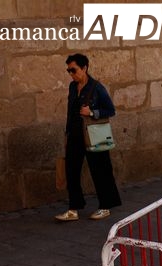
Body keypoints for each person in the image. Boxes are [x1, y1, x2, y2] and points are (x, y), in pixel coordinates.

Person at [55, 53, 121, 222]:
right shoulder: (72, 87)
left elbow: (110, 110)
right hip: (75, 136)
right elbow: (70, 113)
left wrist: (92, 112)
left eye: (73, 70)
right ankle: (73, 209)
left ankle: (105, 206)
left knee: (101, 171)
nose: (71, 73)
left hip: (92, 135)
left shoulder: (97, 87)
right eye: (68, 70)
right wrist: (67, 134)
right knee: (72, 172)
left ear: (84, 68)